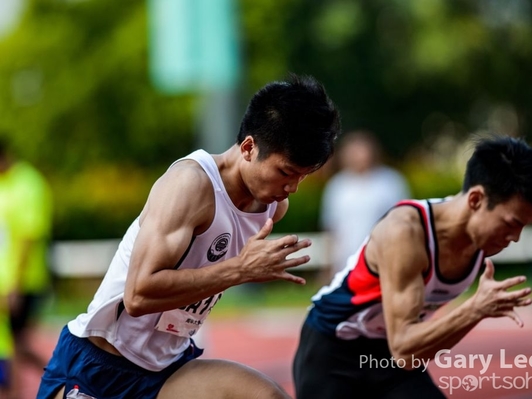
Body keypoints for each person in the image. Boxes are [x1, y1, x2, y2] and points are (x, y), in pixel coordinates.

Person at [37, 74, 341, 399]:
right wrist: (240, 270)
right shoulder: (189, 185)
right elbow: (138, 296)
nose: (291, 188)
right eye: (285, 172)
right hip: (100, 364)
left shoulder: (272, 207)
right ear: (249, 147)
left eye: (302, 177)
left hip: (168, 371)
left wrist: (245, 270)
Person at [293, 136, 532, 399]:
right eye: (511, 223)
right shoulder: (404, 232)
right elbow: (405, 348)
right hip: (333, 348)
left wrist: (475, 312)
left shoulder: (481, 240)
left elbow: (412, 355)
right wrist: (475, 309)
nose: (515, 237)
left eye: (523, 227)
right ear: (475, 200)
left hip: (388, 354)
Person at [0, 138, 53, 398]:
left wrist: (16, 284)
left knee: (16, 344)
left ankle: (61, 378)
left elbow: (27, 237)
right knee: (12, 345)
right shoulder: (5, 183)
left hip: (24, 281)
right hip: (6, 281)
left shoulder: (27, 184)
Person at [320, 130, 411, 276]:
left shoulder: (391, 182)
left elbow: (405, 221)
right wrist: (328, 265)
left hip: (384, 259)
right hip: (346, 262)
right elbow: (332, 229)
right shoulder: (337, 186)